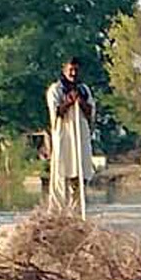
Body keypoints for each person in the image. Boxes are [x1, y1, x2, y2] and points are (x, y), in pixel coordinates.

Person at [43, 57, 94, 210]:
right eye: (70, 70)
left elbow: (90, 111)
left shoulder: (84, 89)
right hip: (64, 136)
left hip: (81, 137)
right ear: (64, 69)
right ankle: (58, 212)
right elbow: (56, 112)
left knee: (80, 176)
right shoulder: (56, 89)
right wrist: (69, 102)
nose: (73, 73)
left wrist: (80, 101)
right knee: (61, 174)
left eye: (76, 70)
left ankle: (77, 211)